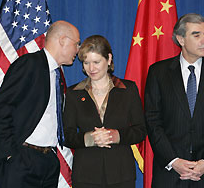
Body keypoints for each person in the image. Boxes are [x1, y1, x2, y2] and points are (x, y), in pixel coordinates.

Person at [0, 20, 81, 188]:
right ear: (62, 40)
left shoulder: (57, 77)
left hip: (48, 162)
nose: (78, 49)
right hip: (22, 160)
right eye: (77, 43)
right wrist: (10, 154)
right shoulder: (29, 64)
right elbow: (2, 109)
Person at [145, 13, 204, 187]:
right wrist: (174, 161)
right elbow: (153, 121)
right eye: (197, 35)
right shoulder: (158, 73)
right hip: (170, 174)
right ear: (181, 39)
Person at [63, 35, 146, 188]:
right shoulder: (73, 93)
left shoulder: (128, 89)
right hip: (85, 175)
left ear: (108, 59)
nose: (91, 68)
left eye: (96, 62)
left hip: (121, 174)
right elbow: (67, 136)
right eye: (86, 63)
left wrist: (117, 136)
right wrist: (90, 139)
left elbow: (140, 130)